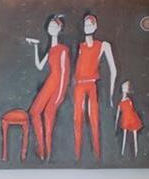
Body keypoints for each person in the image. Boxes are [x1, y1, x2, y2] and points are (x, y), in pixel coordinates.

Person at [71, 12, 117, 161]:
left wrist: (110, 95)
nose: (87, 26)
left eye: (90, 24)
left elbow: (113, 70)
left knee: (94, 118)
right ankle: (77, 156)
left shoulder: (103, 45)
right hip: (79, 86)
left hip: (91, 85)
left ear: (95, 26)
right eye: (85, 24)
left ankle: (97, 156)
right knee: (77, 119)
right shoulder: (80, 46)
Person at [25, 14, 69, 162]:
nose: (51, 28)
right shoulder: (51, 49)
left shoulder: (63, 49)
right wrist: (36, 47)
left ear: (60, 28)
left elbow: (64, 72)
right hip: (51, 80)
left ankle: (47, 152)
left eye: (54, 26)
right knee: (35, 112)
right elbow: (39, 66)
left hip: (57, 82)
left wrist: (60, 95)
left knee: (48, 115)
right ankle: (42, 149)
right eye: (50, 26)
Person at [115, 78, 143, 157]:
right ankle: (123, 152)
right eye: (124, 87)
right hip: (126, 120)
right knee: (125, 135)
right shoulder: (121, 103)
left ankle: (135, 151)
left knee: (133, 135)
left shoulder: (128, 100)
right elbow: (118, 115)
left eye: (125, 87)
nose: (124, 89)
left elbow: (131, 110)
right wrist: (116, 124)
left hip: (131, 119)